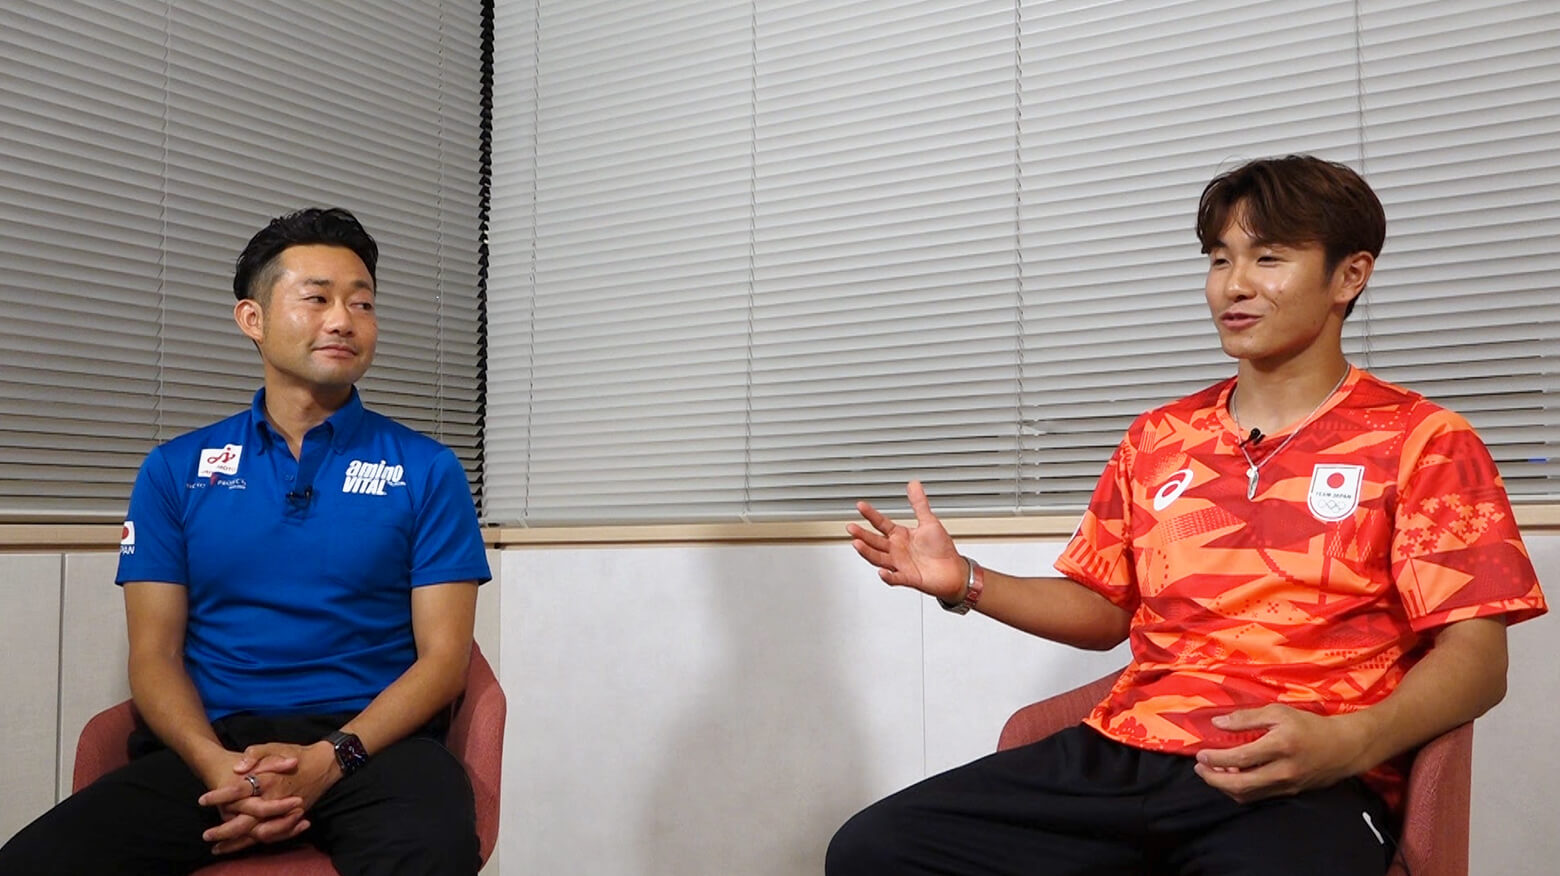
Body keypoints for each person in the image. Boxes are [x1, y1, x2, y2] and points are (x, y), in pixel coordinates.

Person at [826, 155, 1547, 876]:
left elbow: (1478, 661)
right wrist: (965, 580)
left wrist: (1351, 744)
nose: (1234, 285)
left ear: (1349, 276)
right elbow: (1104, 609)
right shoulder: (1159, 437)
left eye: (1268, 258)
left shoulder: (1425, 440)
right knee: (873, 848)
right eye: (1220, 259)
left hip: (1297, 776)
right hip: (1128, 754)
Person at [0, 208, 491, 875]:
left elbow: (444, 660)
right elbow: (154, 655)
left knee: (432, 852)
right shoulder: (174, 470)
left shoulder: (428, 470)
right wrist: (218, 767)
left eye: (362, 303)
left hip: (371, 746)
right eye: (317, 298)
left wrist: (330, 759)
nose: (343, 320)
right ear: (252, 319)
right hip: (218, 745)